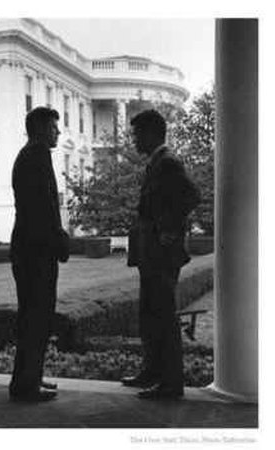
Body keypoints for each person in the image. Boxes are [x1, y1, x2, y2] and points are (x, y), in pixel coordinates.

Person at [121, 109, 201, 399]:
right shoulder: (157, 163)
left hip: (161, 255)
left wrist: (169, 230)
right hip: (151, 254)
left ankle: (170, 384)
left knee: (163, 317)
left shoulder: (168, 162)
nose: (133, 140)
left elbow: (191, 195)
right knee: (151, 315)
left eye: (136, 134)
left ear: (152, 133)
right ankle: (152, 372)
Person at [9, 107, 69, 402]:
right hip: (35, 252)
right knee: (36, 317)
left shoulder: (32, 155)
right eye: (54, 127)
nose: (58, 132)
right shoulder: (36, 156)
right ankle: (26, 386)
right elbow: (41, 211)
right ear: (40, 129)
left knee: (35, 318)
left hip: (31, 249)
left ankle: (30, 379)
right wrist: (59, 240)